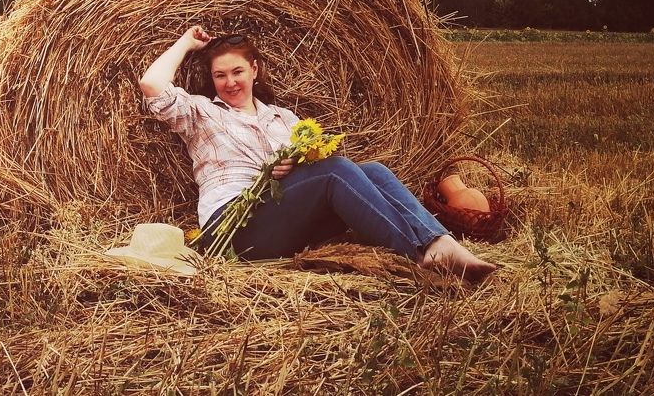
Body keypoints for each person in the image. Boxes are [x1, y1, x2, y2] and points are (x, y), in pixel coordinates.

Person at [139, 26, 498, 282]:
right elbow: (152, 85)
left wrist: (297, 164)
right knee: (336, 169)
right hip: (235, 229)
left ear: (255, 70)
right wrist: (186, 43)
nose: (230, 82)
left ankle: (439, 241)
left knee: (372, 170)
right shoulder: (203, 113)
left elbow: (320, 175)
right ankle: (419, 255)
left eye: (238, 71)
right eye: (220, 75)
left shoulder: (284, 119)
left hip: (288, 222)